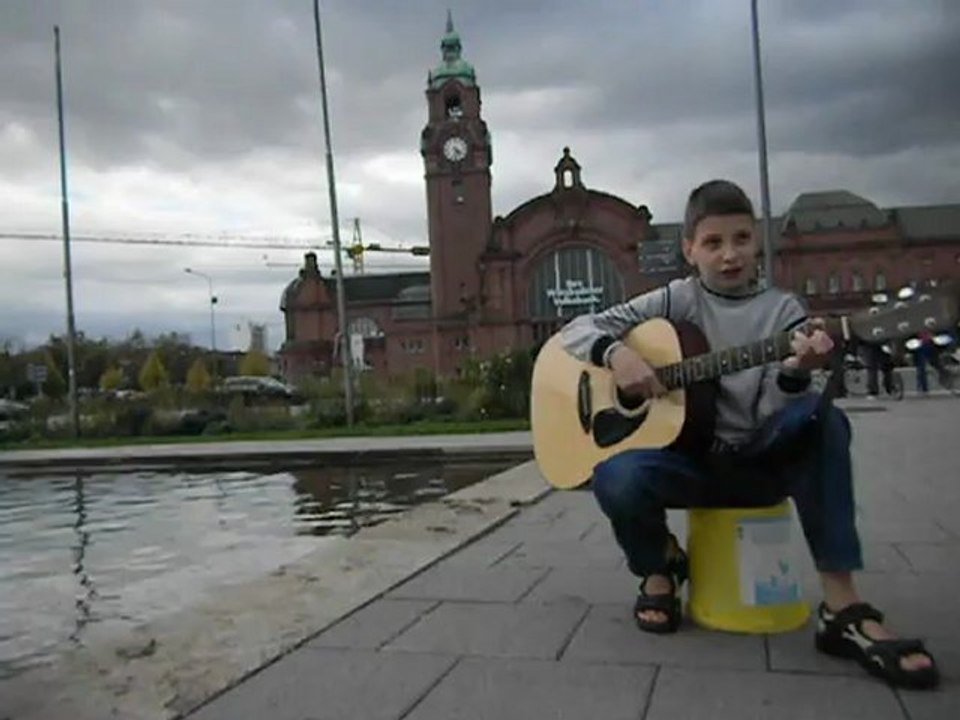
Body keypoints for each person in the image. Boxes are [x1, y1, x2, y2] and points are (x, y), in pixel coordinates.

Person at [559, 179, 939, 690]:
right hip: (688, 465)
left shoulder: (784, 313)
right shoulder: (678, 299)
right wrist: (617, 354)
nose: (729, 254)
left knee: (823, 418)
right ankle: (660, 567)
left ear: (757, 241)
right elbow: (575, 329)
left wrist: (795, 374)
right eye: (713, 242)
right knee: (615, 475)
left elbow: (769, 416)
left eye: (741, 239)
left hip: (758, 462)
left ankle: (842, 609)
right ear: (690, 250)